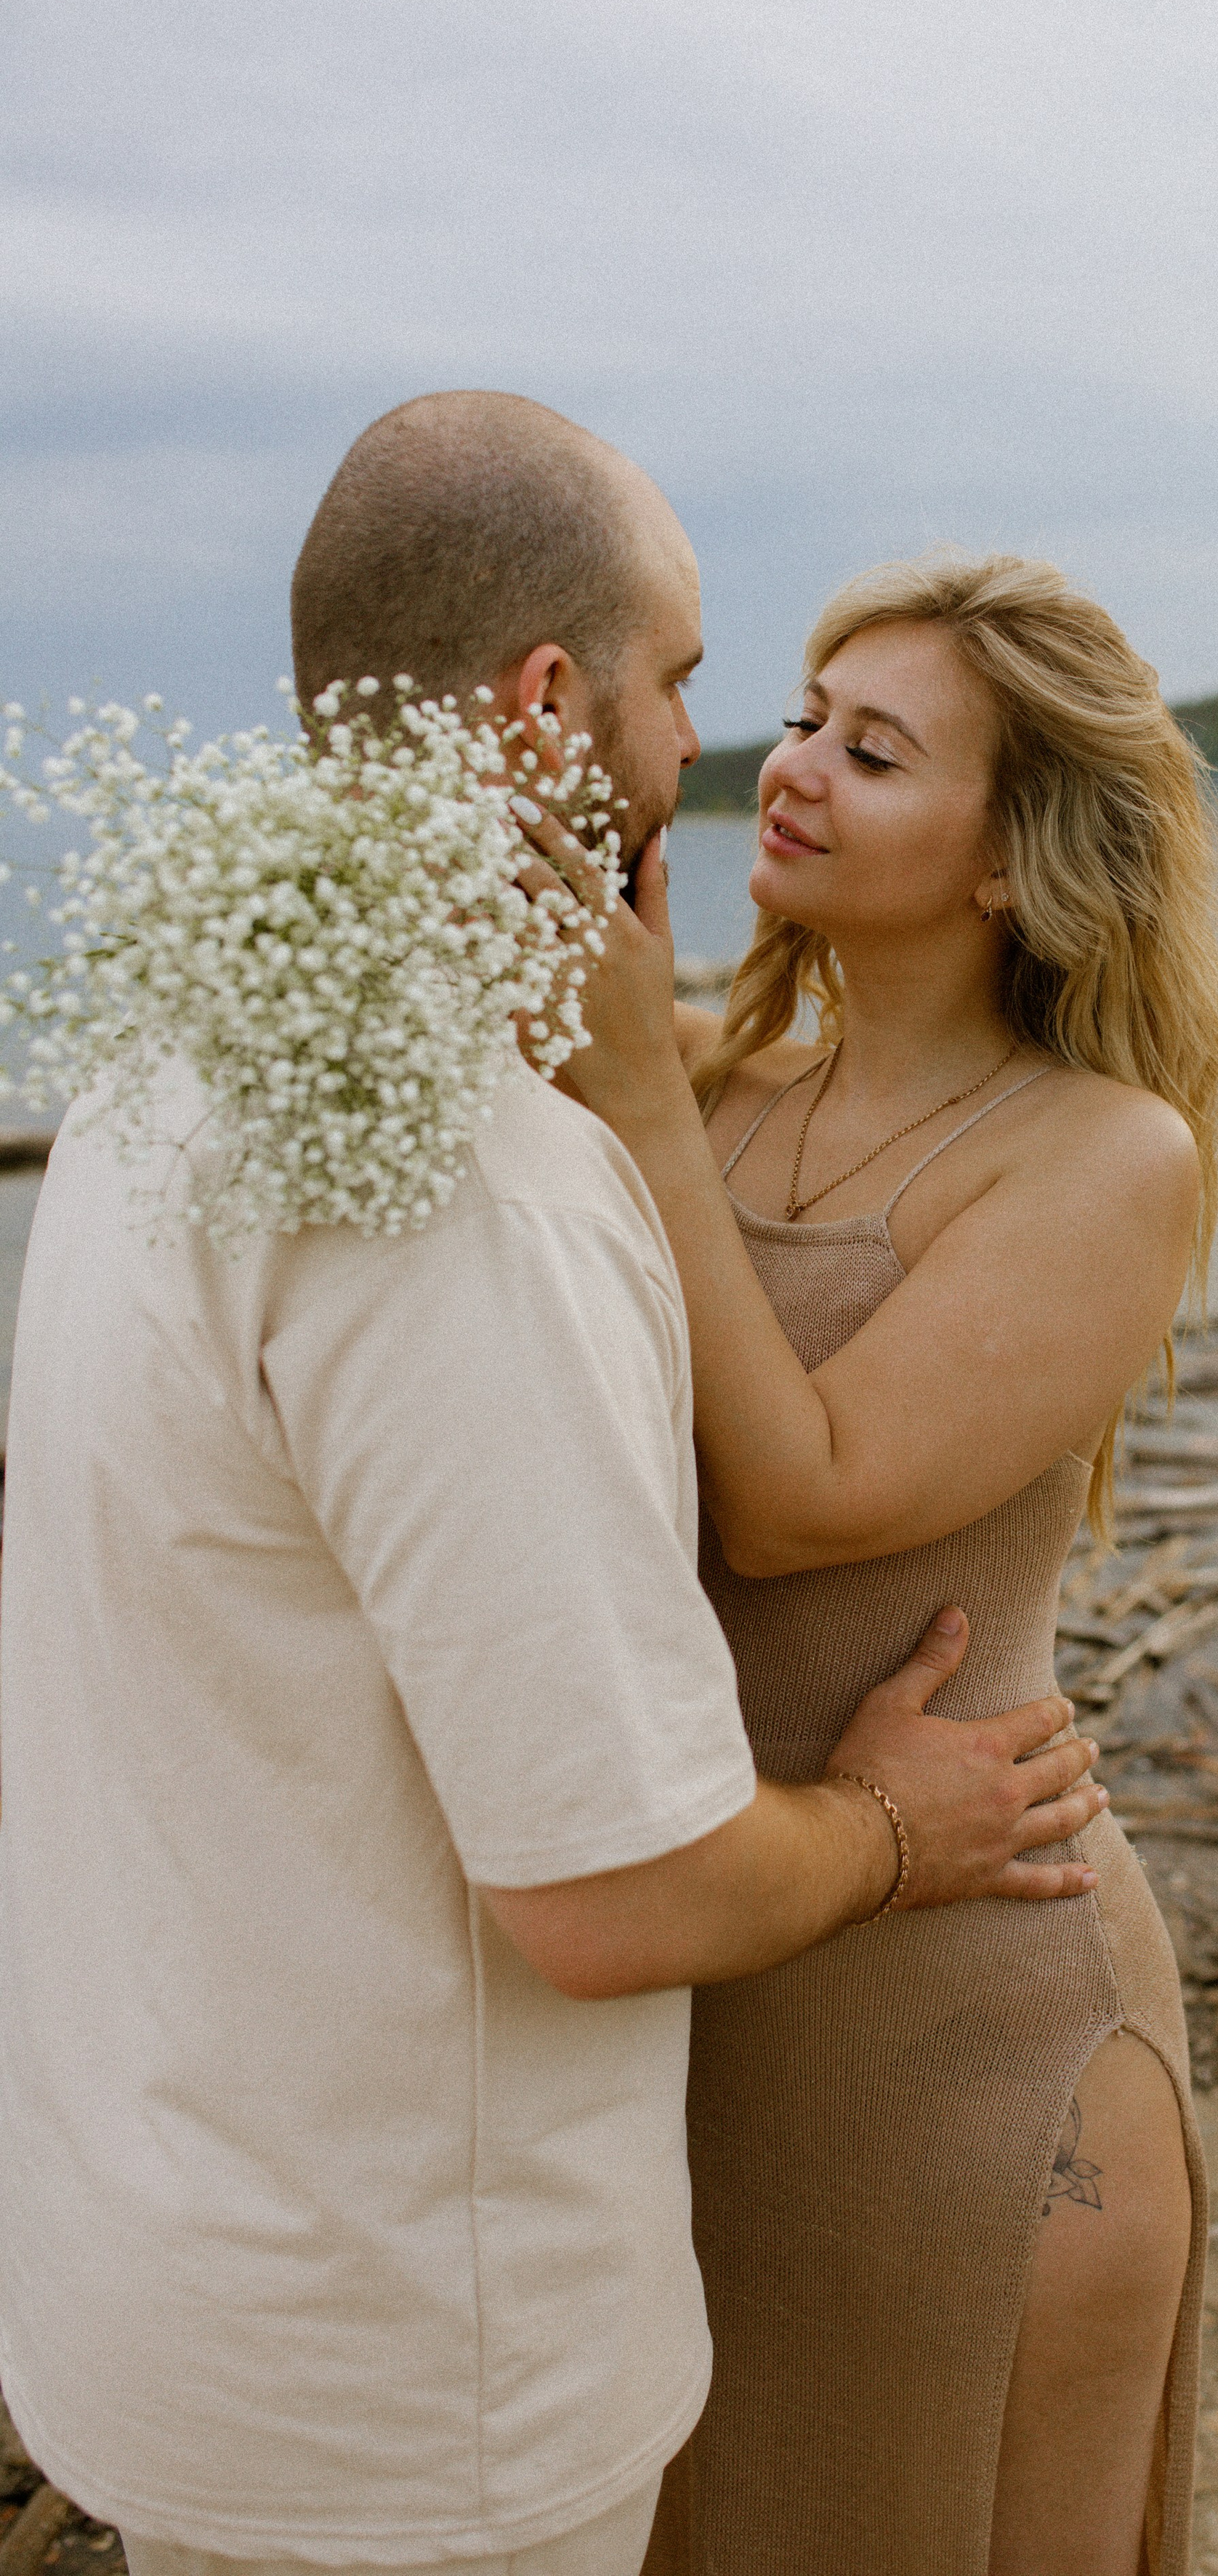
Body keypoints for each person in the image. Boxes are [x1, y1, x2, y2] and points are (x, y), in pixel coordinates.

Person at [0, 397, 1109, 2576]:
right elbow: (614, 1896)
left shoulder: (155, 1070)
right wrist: (900, 1823)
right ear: (543, 700)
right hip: (412, 2382)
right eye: (691, 680)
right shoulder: (466, 1188)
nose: (719, 747)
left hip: (168, 2270)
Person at [523, 549, 1218, 2576]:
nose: (794, 765)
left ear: (1015, 857)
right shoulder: (719, 1085)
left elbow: (803, 1496)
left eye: (877, 746)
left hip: (976, 2035)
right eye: (804, 715)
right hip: (713, 1984)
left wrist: (643, 1087)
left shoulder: (1102, 1151)